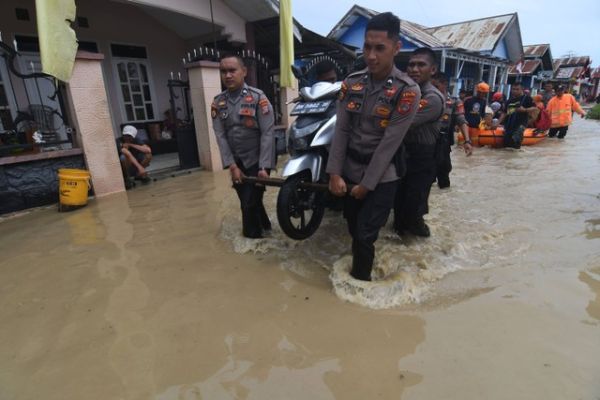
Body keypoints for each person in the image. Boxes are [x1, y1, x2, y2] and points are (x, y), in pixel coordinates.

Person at [327, 12, 421, 281]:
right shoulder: (351, 83)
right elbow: (342, 129)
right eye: (367, 47)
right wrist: (334, 173)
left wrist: (367, 185)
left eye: (379, 48)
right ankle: (362, 268)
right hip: (349, 169)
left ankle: (359, 286)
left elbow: (390, 143)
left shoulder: (408, 91)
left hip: (383, 175)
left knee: (366, 233)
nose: (371, 56)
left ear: (396, 47)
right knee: (353, 228)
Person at [211, 54, 275, 238]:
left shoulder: (257, 98)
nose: (228, 75)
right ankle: (267, 230)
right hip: (236, 162)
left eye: (232, 70)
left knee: (248, 205)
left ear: (244, 72)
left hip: (258, 159)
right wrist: (232, 166)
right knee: (250, 201)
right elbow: (220, 135)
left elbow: (268, 134)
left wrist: (264, 167)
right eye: (223, 71)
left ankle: (252, 240)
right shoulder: (218, 102)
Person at [393, 48, 445, 237]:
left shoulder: (432, 98)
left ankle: (422, 248)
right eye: (411, 65)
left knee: (413, 210)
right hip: (403, 155)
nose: (414, 69)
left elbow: (400, 123)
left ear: (432, 70)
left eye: (420, 65)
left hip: (422, 158)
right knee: (398, 208)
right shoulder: (406, 93)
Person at [430, 72, 472, 190]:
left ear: (444, 85)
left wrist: (467, 141)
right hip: (426, 143)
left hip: (444, 143)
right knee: (425, 176)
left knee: (444, 173)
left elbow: (461, 121)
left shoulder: (454, 102)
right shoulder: (424, 98)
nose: (433, 90)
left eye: (436, 87)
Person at [499, 82, 535, 148]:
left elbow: (534, 108)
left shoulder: (527, 98)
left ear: (522, 90)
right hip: (508, 126)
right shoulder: (509, 101)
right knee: (506, 145)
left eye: (517, 89)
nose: (515, 91)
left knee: (515, 144)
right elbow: (504, 113)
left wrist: (525, 110)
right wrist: (498, 123)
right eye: (513, 89)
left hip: (520, 126)